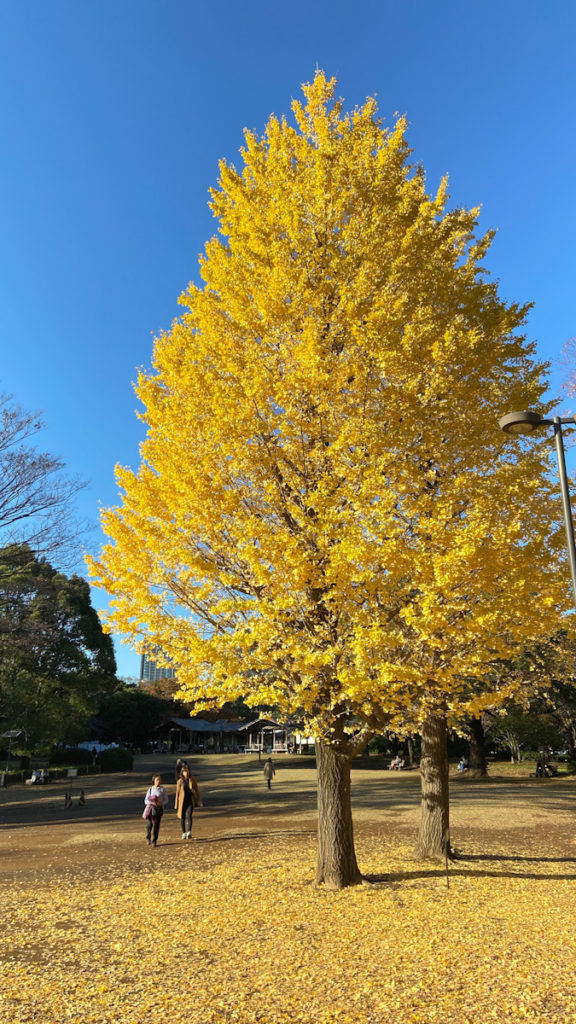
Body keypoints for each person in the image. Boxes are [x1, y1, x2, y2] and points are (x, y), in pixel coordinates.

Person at [174, 764, 202, 839]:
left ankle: (189, 832)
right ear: (182, 773)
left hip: (190, 801)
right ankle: (183, 832)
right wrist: (176, 804)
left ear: (189, 771)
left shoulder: (192, 779)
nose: (186, 773)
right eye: (184, 772)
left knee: (189, 815)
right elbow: (177, 793)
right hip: (182, 802)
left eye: (187, 771)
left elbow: (196, 790)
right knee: (182, 817)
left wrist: (199, 800)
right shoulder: (180, 781)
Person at [144, 774, 169, 846]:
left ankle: (154, 841)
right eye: (157, 780)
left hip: (159, 809)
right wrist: (151, 802)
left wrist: (161, 803)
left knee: (156, 825)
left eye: (160, 779)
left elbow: (166, 799)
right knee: (149, 824)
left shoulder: (162, 789)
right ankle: (148, 837)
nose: (159, 781)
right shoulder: (150, 789)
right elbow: (146, 800)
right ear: (154, 781)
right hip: (151, 809)